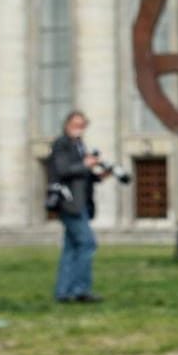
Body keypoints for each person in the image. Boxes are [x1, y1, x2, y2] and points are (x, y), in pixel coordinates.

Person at [48, 110, 107, 304]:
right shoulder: (62, 144)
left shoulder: (79, 145)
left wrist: (98, 176)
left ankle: (63, 292)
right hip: (69, 203)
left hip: (80, 203)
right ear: (67, 125)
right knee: (87, 244)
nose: (79, 128)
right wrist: (86, 164)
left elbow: (81, 175)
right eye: (75, 124)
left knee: (71, 248)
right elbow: (63, 169)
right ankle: (80, 289)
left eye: (82, 125)